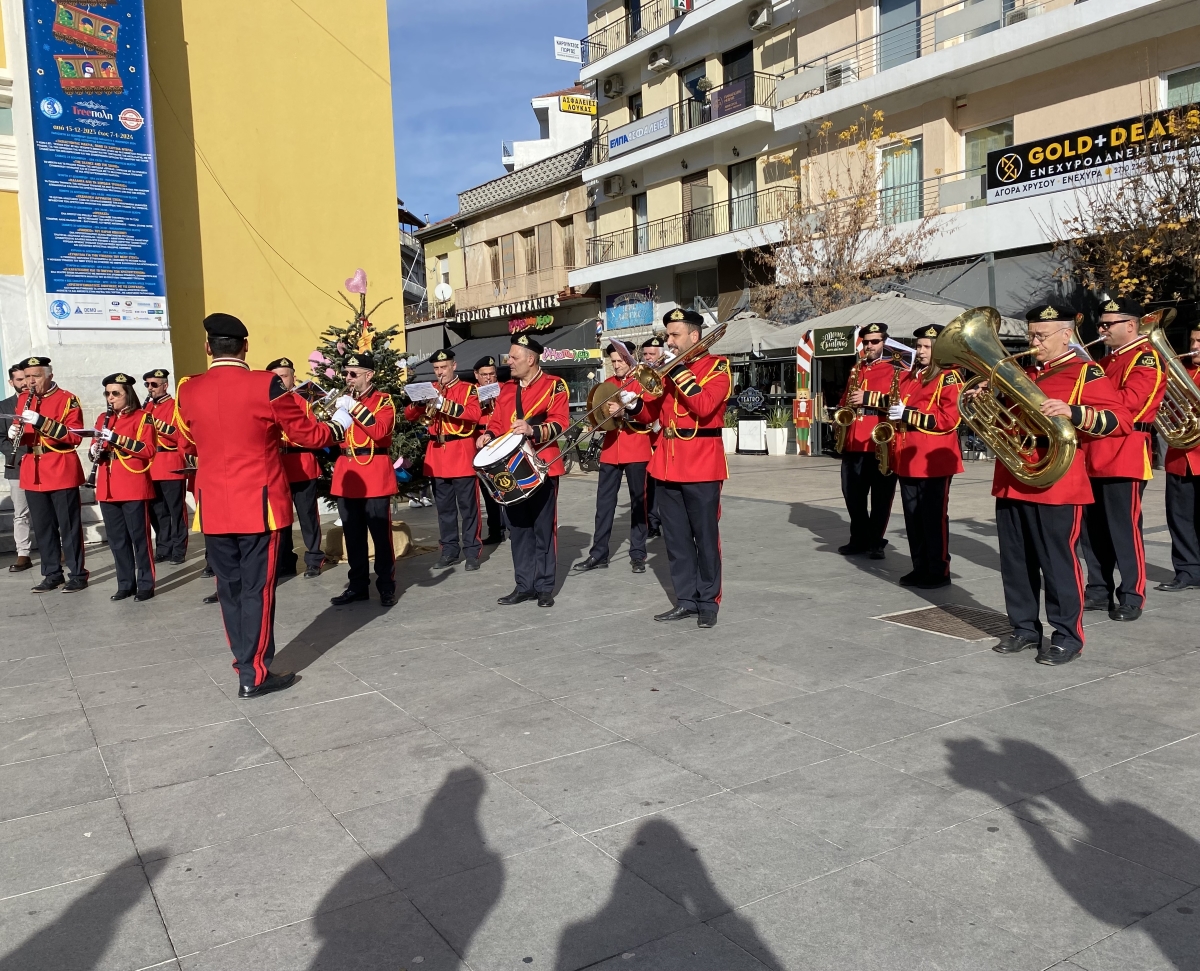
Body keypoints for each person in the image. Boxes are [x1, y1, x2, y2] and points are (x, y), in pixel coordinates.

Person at [175, 313, 347, 698]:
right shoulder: (265, 384)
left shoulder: (189, 390)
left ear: (207, 348)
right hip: (259, 503)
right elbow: (306, 433)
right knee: (258, 590)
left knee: (230, 589)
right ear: (245, 347)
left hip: (213, 506)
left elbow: (185, 441)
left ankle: (243, 664)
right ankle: (254, 673)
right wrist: (337, 427)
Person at [987, 304, 1131, 665]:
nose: (1033, 342)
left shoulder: (1087, 372)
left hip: (1057, 480)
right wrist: (988, 399)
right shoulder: (1023, 372)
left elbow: (1121, 420)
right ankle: (1023, 627)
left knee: (1057, 562)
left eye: (1040, 336)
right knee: (1016, 562)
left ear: (1066, 335)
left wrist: (1074, 411)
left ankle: (1068, 635)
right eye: (1030, 335)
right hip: (1014, 476)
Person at [627, 308, 730, 629]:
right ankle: (685, 599)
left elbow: (703, 405)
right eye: (667, 335)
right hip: (666, 464)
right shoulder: (668, 371)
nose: (667, 342)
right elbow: (650, 415)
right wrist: (633, 405)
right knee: (676, 539)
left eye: (674, 336)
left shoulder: (718, 367)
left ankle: (708, 601)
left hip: (702, 464)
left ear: (694, 336)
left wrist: (678, 370)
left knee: (705, 537)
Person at [1076, 294, 1166, 621]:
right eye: (1100, 324)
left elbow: (1131, 405)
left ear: (1131, 325)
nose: (1101, 329)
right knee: (1092, 530)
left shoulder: (1146, 359)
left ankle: (1132, 594)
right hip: (1092, 452)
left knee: (1124, 529)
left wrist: (1089, 397)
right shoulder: (1104, 362)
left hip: (1124, 451)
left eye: (1107, 324)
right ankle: (1098, 590)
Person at [480, 334, 569, 608]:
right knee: (518, 529)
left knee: (543, 530)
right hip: (511, 469)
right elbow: (496, 422)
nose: (510, 362)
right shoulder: (507, 389)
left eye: (514, 357)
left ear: (531, 359)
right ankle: (523, 586)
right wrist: (487, 435)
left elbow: (560, 423)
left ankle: (544, 587)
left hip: (542, 465)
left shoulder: (554, 386)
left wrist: (533, 430)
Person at [891, 324, 963, 589]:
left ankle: (939, 569)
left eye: (926, 347)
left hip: (934, 459)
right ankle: (919, 566)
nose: (920, 351)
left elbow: (950, 419)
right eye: (919, 346)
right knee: (912, 516)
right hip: (908, 456)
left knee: (932, 517)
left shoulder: (949, 377)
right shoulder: (911, 377)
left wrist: (908, 414)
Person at [575, 340, 656, 574]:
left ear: (631, 357)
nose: (617, 366)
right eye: (613, 362)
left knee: (639, 504)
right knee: (604, 504)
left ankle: (638, 554)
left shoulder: (643, 383)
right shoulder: (608, 384)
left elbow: (648, 415)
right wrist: (596, 424)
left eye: (620, 361)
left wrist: (625, 412)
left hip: (637, 448)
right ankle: (599, 553)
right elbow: (603, 418)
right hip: (611, 451)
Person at [328, 351, 399, 607]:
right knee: (353, 535)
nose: (348, 378)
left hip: (373, 473)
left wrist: (354, 407)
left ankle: (386, 586)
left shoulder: (384, 401)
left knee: (380, 535)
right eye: (346, 373)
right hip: (347, 472)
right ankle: (357, 585)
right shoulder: (344, 400)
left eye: (353, 374)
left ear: (369, 375)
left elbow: (380, 432)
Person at [403, 348, 482, 571]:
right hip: (437, 453)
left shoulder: (469, 389)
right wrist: (420, 403)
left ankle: (472, 551)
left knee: (468, 508)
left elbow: (473, 414)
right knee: (444, 510)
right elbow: (409, 415)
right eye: (436, 368)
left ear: (453, 366)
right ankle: (448, 550)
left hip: (461, 452)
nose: (440, 372)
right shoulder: (431, 389)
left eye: (443, 367)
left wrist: (442, 404)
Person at [15, 356, 87, 592]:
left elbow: (75, 436)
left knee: (68, 526)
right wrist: (13, 432)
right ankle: (52, 573)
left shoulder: (67, 400)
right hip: (33, 468)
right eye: (27, 377)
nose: (30, 382)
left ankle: (77, 573)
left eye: (35, 376)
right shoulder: (24, 399)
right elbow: (25, 436)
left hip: (60, 466)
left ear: (49, 375)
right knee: (43, 527)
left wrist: (42, 422)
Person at [837, 322, 901, 559]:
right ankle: (859, 537)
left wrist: (868, 397)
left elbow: (898, 403)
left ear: (885, 342)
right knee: (852, 492)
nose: (870, 346)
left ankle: (875, 541)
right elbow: (846, 398)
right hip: (854, 438)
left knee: (881, 496)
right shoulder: (857, 368)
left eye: (875, 341)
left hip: (880, 439)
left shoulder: (896, 369)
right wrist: (840, 415)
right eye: (866, 342)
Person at [90, 373, 156, 601]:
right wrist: (93, 451)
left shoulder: (142, 417)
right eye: (107, 393)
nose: (110, 398)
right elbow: (95, 446)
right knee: (117, 539)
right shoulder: (102, 418)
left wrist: (117, 438)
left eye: (115, 393)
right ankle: (125, 583)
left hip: (133, 483)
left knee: (140, 538)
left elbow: (148, 450)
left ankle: (146, 583)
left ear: (128, 394)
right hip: (108, 485)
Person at [268, 356, 326, 579]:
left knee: (307, 515)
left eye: (284, 376)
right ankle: (285, 560)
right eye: (276, 377)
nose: (280, 381)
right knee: (281, 517)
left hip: (302, 462)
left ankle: (314, 558)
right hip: (278, 466)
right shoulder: (269, 401)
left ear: (293, 377)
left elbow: (313, 432)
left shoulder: (306, 401)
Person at [1160, 323, 1200, 592]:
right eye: (1194, 341)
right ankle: (1187, 572)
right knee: (1179, 518)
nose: (1194, 347)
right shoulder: (1177, 372)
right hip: (1180, 456)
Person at [143, 368, 189, 564]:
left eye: (154, 384)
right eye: (147, 384)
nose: (150, 388)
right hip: (151, 465)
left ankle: (179, 549)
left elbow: (179, 435)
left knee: (176, 511)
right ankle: (163, 546)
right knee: (157, 510)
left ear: (165, 385)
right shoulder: (146, 408)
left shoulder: (175, 406)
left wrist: (156, 424)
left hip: (170, 463)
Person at [2, 363, 34, 572]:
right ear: (11, 382)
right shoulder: (3, 406)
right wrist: (18, 455)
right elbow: (0, 439)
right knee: (20, 513)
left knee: (45, 511)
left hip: (42, 464)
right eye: (19, 380)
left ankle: (54, 547)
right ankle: (23, 553)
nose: (24, 383)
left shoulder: (39, 402)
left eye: (26, 378)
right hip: (18, 466)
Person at [473, 355, 506, 545]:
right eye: (484, 375)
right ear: (476, 375)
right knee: (488, 488)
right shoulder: (473, 392)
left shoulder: (504, 389)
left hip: (501, 439)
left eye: (492, 374)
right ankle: (495, 529)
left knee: (506, 482)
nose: (489, 378)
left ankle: (511, 524)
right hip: (480, 441)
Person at [641, 335, 665, 540]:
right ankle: (653, 522)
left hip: (661, 436)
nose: (648, 358)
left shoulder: (666, 371)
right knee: (649, 484)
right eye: (646, 354)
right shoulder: (641, 373)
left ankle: (661, 519)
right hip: (643, 437)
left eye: (652, 354)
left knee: (660, 484)